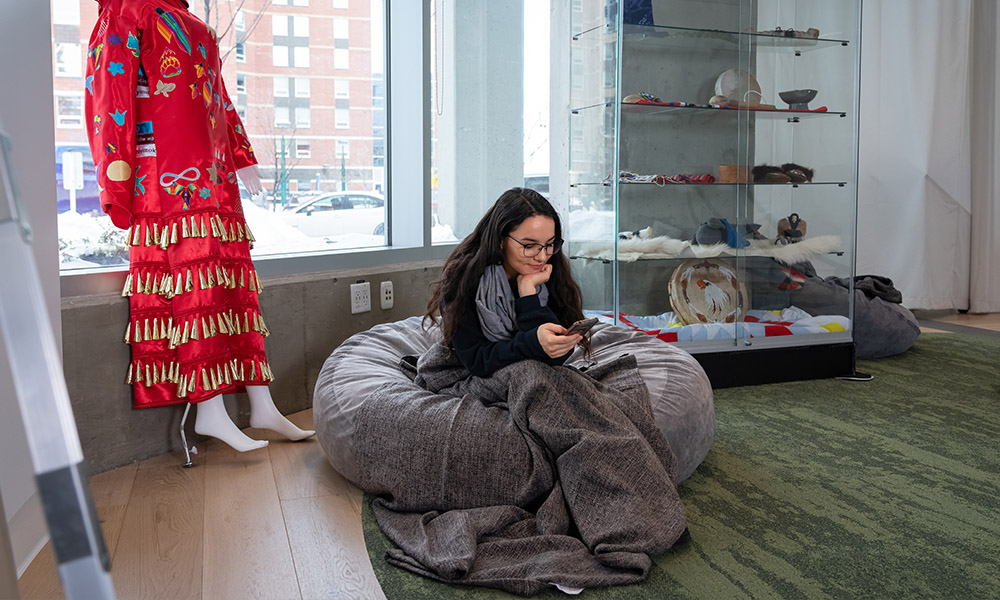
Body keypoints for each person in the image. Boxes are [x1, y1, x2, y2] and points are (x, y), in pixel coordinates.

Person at [84, 0, 312, 452]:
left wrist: (241, 154)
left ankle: (260, 402)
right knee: (195, 289)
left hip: (213, 171)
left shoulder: (191, 22)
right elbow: (108, 93)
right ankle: (210, 410)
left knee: (232, 284)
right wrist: (116, 175)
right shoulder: (128, 11)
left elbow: (216, 90)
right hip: (165, 173)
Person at [424, 187, 590, 375]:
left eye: (549, 244)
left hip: (534, 372)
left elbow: (555, 357)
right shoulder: (463, 277)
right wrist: (532, 343)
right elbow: (476, 360)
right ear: (501, 239)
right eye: (529, 246)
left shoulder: (549, 271)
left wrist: (527, 291)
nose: (542, 257)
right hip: (483, 372)